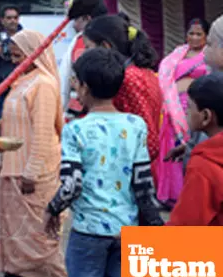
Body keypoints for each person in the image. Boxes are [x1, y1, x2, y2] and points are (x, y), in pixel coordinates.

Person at [44, 48, 164, 277]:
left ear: (84, 88)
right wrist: (155, 225)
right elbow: (143, 183)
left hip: (89, 233)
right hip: (126, 230)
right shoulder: (135, 125)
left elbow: (71, 185)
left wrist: (51, 211)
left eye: (75, 83)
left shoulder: (76, 129)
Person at [0, 30, 68, 277]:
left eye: (18, 54)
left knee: (39, 226)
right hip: (14, 163)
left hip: (34, 167)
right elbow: (22, 115)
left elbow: (44, 132)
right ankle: (23, 271)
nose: (14, 59)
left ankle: (57, 276)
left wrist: (32, 172)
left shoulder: (43, 84)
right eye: (12, 55)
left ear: (34, 53)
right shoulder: (24, 80)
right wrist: (2, 124)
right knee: (18, 224)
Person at [82, 15, 162, 174]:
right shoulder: (140, 73)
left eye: (88, 48)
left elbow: (148, 142)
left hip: (128, 173)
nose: (84, 54)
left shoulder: (129, 78)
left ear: (105, 47)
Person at [157, 19, 210, 208]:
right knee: (172, 148)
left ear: (206, 36)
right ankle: (170, 195)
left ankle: (188, 197)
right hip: (173, 107)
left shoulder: (210, 56)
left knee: (189, 149)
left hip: (195, 108)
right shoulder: (178, 53)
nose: (194, 38)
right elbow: (164, 74)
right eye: (191, 33)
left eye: (199, 34)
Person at [168, 73, 223, 226]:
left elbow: (184, 229)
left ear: (205, 116)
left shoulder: (204, 166)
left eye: (189, 107)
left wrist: (132, 243)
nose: (186, 112)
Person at [59, 0, 108, 122]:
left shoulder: (79, 42)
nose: (74, 26)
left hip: (81, 116)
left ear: (87, 18)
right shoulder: (117, 36)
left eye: (76, 20)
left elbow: (64, 84)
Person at [0, 5, 21, 120]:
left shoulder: (25, 38)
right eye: (9, 18)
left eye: (15, 18)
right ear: (2, 20)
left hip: (18, 86)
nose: (13, 21)